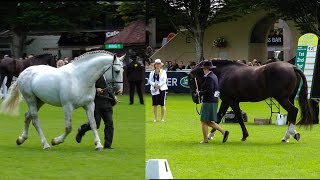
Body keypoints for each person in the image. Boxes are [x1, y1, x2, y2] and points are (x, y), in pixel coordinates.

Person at [75, 75, 117, 149]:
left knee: (109, 124)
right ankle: (82, 130)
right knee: (96, 124)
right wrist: (95, 89)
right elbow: (85, 86)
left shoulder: (106, 75)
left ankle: (107, 145)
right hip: (96, 104)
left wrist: (113, 94)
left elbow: (108, 87)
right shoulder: (94, 75)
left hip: (107, 103)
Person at [196, 60, 229, 144]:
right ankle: (224, 132)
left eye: (203, 68)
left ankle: (205, 140)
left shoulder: (209, 78)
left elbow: (209, 90)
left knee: (204, 121)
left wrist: (200, 93)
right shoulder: (213, 76)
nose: (203, 70)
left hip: (208, 101)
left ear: (205, 68)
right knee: (209, 121)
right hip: (213, 101)